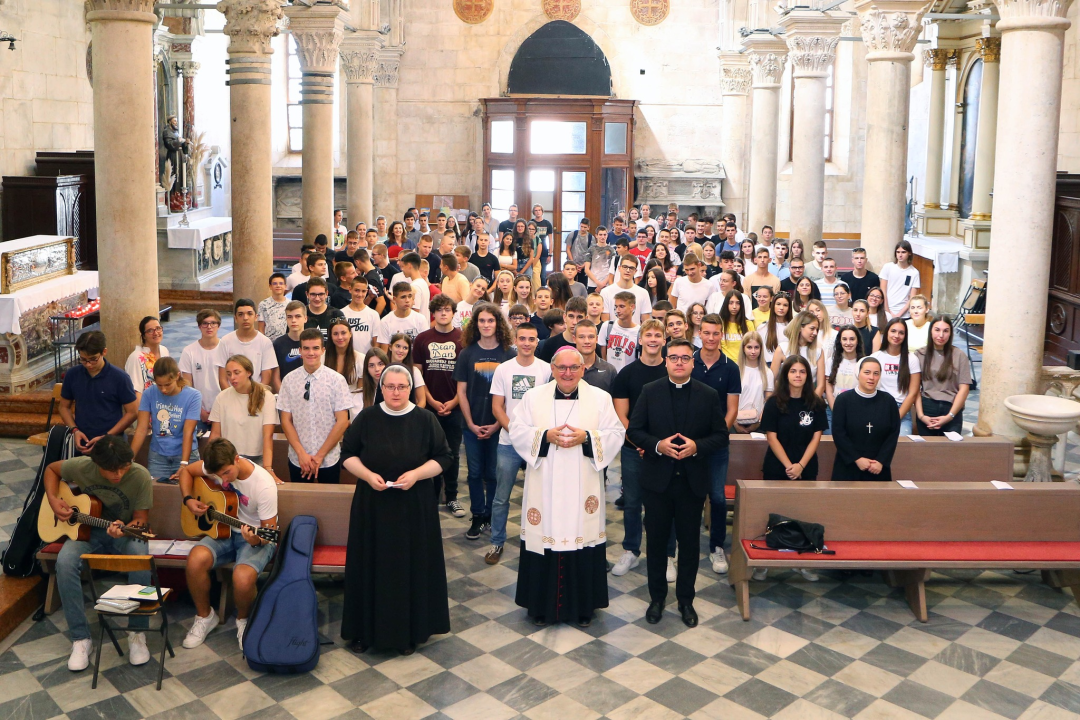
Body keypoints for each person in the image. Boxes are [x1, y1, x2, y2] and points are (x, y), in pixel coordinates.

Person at [340, 365, 453, 655]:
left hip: (413, 508)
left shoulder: (425, 419)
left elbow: (443, 457)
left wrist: (416, 474)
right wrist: (367, 475)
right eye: (390, 386)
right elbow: (347, 455)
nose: (396, 392)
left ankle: (409, 633)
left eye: (402, 387)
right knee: (370, 564)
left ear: (410, 387)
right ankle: (365, 632)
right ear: (382, 388)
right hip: (373, 505)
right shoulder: (367, 417)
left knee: (409, 567)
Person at [509, 346, 624, 627]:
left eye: (574, 367)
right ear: (552, 369)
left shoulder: (600, 398)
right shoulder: (533, 397)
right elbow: (516, 429)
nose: (568, 373)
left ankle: (583, 608)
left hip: (581, 484)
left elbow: (616, 433)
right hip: (544, 483)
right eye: (562, 367)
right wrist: (544, 435)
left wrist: (588, 437)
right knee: (543, 535)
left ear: (583, 369)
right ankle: (539, 607)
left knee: (581, 536)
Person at [629, 339, 728, 627]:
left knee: (689, 544)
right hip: (657, 480)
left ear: (693, 362)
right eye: (674, 358)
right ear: (666, 360)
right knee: (657, 544)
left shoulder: (708, 394)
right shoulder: (650, 391)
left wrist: (697, 446)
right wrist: (658, 445)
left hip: (692, 482)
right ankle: (657, 598)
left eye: (685, 358)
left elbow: (721, 435)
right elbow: (635, 430)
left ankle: (686, 600)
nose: (680, 362)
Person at [44, 436, 154, 672]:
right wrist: (53, 500)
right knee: (64, 563)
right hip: (87, 534)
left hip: (124, 534)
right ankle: (80, 639)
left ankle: (136, 633)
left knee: (140, 559)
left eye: (123, 468)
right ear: (95, 464)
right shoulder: (82, 466)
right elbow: (52, 469)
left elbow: (141, 519)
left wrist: (124, 529)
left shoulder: (140, 475)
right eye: (111, 470)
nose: (118, 475)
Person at [179, 439, 279, 651]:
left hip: (255, 536)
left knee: (242, 578)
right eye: (219, 474)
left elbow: (269, 533)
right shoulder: (216, 466)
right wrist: (188, 499)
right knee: (195, 559)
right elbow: (186, 471)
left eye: (226, 473)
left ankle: (244, 621)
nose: (223, 480)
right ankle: (205, 616)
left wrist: (256, 539)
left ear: (237, 459)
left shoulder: (264, 485)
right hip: (222, 530)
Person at [754, 354, 829, 583]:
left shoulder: (816, 403)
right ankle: (766, 563)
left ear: (808, 376)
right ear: (786, 375)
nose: (798, 376)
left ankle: (802, 563)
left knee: (803, 514)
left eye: (802, 372)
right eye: (793, 371)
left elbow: (816, 438)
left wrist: (801, 466)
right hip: (778, 466)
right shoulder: (774, 403)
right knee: (774, 513)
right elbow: (771, 437)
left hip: (806, 466)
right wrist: (789, 466)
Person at [610, 320, 674, 576]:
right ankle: (631, 551)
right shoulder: (627, 374)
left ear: (664, 340)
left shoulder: (671, 372)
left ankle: (668, 555)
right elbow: (621, 414)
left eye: (658, 335)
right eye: (648, 335)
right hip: (633, 448)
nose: (653, 339)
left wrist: (658, 446)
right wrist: (642, 444)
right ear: (640, 340)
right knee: (633, 502)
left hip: (666, 449)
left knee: (665, 503)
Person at [487, 323, 551, 565]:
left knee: (540, 496)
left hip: (537, 443)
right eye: (522, 338)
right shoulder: (504, 369)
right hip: (509, 441)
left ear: (537, 342)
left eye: (531, 339)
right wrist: (515, 431)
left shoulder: (546, 370)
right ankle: (496, 542)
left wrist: (534, 436)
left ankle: (539, 540)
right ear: (515, 340)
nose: (526, 343)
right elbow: (497, 407)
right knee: (501, 496)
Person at [455, 304, 516, 540]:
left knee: (493, 474)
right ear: (475, 324)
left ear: (498, 323)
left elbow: (510, 396)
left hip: (497, 427)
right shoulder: (467, 353)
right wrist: (470, 423)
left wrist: (498, 424)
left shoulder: (508, 353)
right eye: (482, 321)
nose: (486, 325)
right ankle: (477, 515)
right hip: (472, 426)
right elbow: (461, 392)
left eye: (491, 320)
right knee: (474, 473)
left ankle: (490, 515)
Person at [690, 315, 740, 574]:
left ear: (721, 335)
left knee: (718, 497)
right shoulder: (690, 362)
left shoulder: (730, 367)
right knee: (689, 494)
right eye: (706, 333)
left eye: (715, 333)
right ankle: (685, 546)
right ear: (699, 333)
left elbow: (732, 409)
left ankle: (717, 546)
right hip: (690, 442)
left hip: (718, 443)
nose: (711, 338)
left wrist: (717, 435)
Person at [414, 295, 467, 516]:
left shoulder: (464, 338)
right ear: (432, 314)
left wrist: (454, 401)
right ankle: (432, 498)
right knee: (429, 453)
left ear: (454, 313)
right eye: (439, 310)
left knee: (453, 453)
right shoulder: (422, 339)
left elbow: (466, 377)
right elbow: (417, 374)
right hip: (429, 407)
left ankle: (452, 497)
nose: (443, 313)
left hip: (455, 406)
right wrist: (432, 402)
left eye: (447, 310)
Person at [277, 329, 352, 483]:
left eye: (315, 348)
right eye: (306, 348)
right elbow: (285, 420)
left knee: (328, 503)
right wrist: (302, 454)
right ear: (300, 351)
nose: (311, 353)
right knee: (299, 504)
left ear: (323, 350)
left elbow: (343, 421)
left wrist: (319, 456)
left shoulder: (336, 380)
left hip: (329, 458)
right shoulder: (289, 380)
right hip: (298, 459)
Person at [60, 331, 138, 455]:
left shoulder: (119, 377)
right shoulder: (73, 375)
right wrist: (74, 430)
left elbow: (133, 412)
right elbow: (64, 407)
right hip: (83, 440)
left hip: (112, 443)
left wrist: (107, 436)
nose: (88, 364)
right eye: (83, 360)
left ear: (104, 352)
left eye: (93, 359)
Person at [209, 355, 279, 480]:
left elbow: (267, 436)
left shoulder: (266, 397)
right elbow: (215, 434)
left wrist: (268, 468)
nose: (232, 378)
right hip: (228, 461)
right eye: (229, 374)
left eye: (237, 373)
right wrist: (209, 463)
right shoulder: (222, 397)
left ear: (248, 372)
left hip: (257, 460)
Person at [130, 357, 201, 480]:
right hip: (158, 455)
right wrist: (129, 458)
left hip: (186, 455)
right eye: (159, 385)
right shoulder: (149, 393)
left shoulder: (193, 396)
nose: (163, 389)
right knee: (157, 493)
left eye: (168, 385)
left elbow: (188, 432)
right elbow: (141, 428)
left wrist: (184, 464)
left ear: (177, 376)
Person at [831, 357, 901, 481]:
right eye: (867, 373)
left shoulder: (888, 401)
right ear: (858, 374)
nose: (871, 378)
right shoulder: (843, 400)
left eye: (876, 373)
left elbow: (893, 434)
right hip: (848, 466)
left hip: (878, 467)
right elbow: (838, 433)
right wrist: (856, 458)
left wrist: (881, 461)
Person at [915, 317, 972, 436]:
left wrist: (949, 416)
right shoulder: (920, 354)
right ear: (931, 331)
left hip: (951, 408)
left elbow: (964, 389)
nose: (941, 335)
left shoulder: (959, 355)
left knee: (949, 451)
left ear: (950, 333)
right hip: (927, 407)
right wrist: (921, 415)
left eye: (946, 331)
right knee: (927, 451)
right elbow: (915, 388)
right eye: (937, 330)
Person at [872, 317, 922, 435]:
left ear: (905, 336)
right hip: (879, 408)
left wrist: (896, 417)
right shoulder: (875, 357)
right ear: (887, 332)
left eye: (901, 332)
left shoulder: (912, 359)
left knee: (901, 446)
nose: (896, 335)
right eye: (893, 331)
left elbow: (913, 393)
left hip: (902, 412)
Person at [215, 298, 278, 387]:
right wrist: (232, 397)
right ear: (236, 318)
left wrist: (256, 395)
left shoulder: (265, 342)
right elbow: (222, 378)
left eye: (249, 314)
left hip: (257, 393)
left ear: (256, 317)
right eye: (241, 314)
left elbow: (266, 376)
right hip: (232, 394)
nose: (245, 318)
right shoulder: (225, 341)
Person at [179, 309, 222, 431]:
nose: (209, 327)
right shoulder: (189, 351)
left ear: (218, 326)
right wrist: (200, 411)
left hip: (222, 410)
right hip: (197, 411)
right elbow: (187, 385)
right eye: (205, 323)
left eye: (213, 323)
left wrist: (218, 411)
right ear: (199, 326)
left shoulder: (226, 350)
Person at [771, 310, 827, 396]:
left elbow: (821, 385)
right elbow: (772, 379)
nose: (815, 333)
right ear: (800, 327)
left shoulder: (818, 352)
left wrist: (812, 403)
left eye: (817, 330)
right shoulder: (782, 348)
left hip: (809, 401)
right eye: (812, 328)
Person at [734, 332, 773, 434]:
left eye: (756, 347)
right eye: (749, 347)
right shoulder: (734, 370)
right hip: (736, 421)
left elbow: (768, 401)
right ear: (743, 348)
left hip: (758, 423)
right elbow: (729, 399)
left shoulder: (767, 372)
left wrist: (759, 422)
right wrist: (734, 423)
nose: (753, 351)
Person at [325, 319, 364, 413]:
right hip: (326, 408)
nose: (340, 337)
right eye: (335, 334)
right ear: (330, 336)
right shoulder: (322, 358)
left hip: (352, 409)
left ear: (350, 334)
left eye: (343, 333)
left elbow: (360, 393)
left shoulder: (361, 358)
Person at [125, 315, 169, 397]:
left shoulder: (164, 350)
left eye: (158, 328)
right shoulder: (136, 357)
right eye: (150, 331)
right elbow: (135, 391)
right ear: (144, 336)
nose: (155, 333)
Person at [602, 255, 652, 324]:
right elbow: (605, 322)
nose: (628, 270)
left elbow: (646, 323)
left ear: (635, 271)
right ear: (619, 268)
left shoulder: (643, 293)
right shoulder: (606, 292)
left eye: (631, 268)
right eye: (625, 267)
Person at [826, 327, 866, 413]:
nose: (848, 343)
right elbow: (829, 390)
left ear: (857, 340)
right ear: (840, 341)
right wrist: (836, 411)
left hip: (857, 410)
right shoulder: (830, 361)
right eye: (844, 339)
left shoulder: (864, 362)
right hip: (834, 409)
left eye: (852, 339)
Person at [377, 282, 428, 347]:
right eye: (403, 297)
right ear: (395, 299)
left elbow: (425, 347)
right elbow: (384, 353)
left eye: (409, 296)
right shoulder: (385, 322)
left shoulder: (421, 319)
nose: (407, 300)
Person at [599, 291, 640, 372]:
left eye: (621, 306)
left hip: (628, 376)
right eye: (616, 306)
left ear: (632, 307)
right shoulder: (607, 326)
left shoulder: (639, 332)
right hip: (609, 374)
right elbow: (602, 356)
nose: (617, 310)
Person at [340, 275, 382, 354]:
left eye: (363, 291)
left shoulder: (373, 315)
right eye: (357, 290)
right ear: (350, 289)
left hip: (366, 359)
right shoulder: (342, 313)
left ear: (367, 291)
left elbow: (376, 342)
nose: (360, 294)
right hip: (347, 359)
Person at [880, 239, 921, 318]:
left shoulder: (914, 272)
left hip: (904, 314)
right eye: (898, 252)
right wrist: (888, 311)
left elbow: (912, 297)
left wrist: (899, 314)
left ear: (909, 253)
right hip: (886, 311)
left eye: (903, 252)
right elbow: (883, 291)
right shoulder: (888, 267)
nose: (900, 255)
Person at [537, 296, 586, 362]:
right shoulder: (550, 344)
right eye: (571, 316)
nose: (575, 322)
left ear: (586, 319)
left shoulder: (590, 345)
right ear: (564, 317)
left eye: (579, 317)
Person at [272, 301, 306, 390]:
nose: (293, 320)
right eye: (289, 317)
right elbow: (276, 376)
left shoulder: (312, 341)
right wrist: (283, 397)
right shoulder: (278, 344)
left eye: (298, 316)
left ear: (305, 318)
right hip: (286, 392)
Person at [387, 332, 428, 407]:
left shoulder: (414, 371)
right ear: (390, 347)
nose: (401, 351)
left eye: (405, 348)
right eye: (398, 346)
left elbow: (422, 401)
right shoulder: (383, 369)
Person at [574, 320, 616, 393]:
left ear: (597, 339)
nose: (587, 341)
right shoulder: (564, 369)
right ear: (574, 339)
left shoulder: (609, 370)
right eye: (581, 337)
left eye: (591, 337)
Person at [719, 290, 755, 361]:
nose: (734, 307)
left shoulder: (748, 324)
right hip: (725, 364)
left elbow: (752, 347)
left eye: (738, 303)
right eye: (731, 303)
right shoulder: (719, 324)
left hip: (744, 364)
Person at [758, 291, 792, 366]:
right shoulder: (762, 327)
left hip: (787, 366)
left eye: (785, 305)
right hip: (767, 366)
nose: (781, 308)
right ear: (773, 306)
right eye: (778, 304)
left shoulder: (793, 328)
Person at [256, 273, 289, 340]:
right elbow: (261, 328)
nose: (278, 286)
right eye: (274, 284)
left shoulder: (290, 304)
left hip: (286, 341)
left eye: (281, 283)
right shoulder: (263, 304)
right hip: (268, 342)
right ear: (270, 286)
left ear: (285, 286)